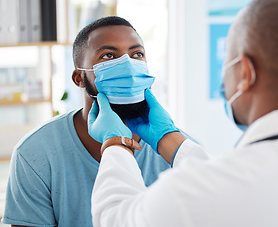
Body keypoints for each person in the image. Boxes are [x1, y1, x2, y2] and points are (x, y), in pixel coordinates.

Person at [89, 0, 278, 227]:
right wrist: (170, 140)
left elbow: (117, 218)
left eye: (227, 59)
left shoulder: (195, 194)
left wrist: (116, 143)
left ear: (244, 72)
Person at [3, 16, 171, 226]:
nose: (128, 64)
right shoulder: (35, 154)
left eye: (137, 54)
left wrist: (174, 147)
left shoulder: (174, 152)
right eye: (109, 55)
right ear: (78, 78)